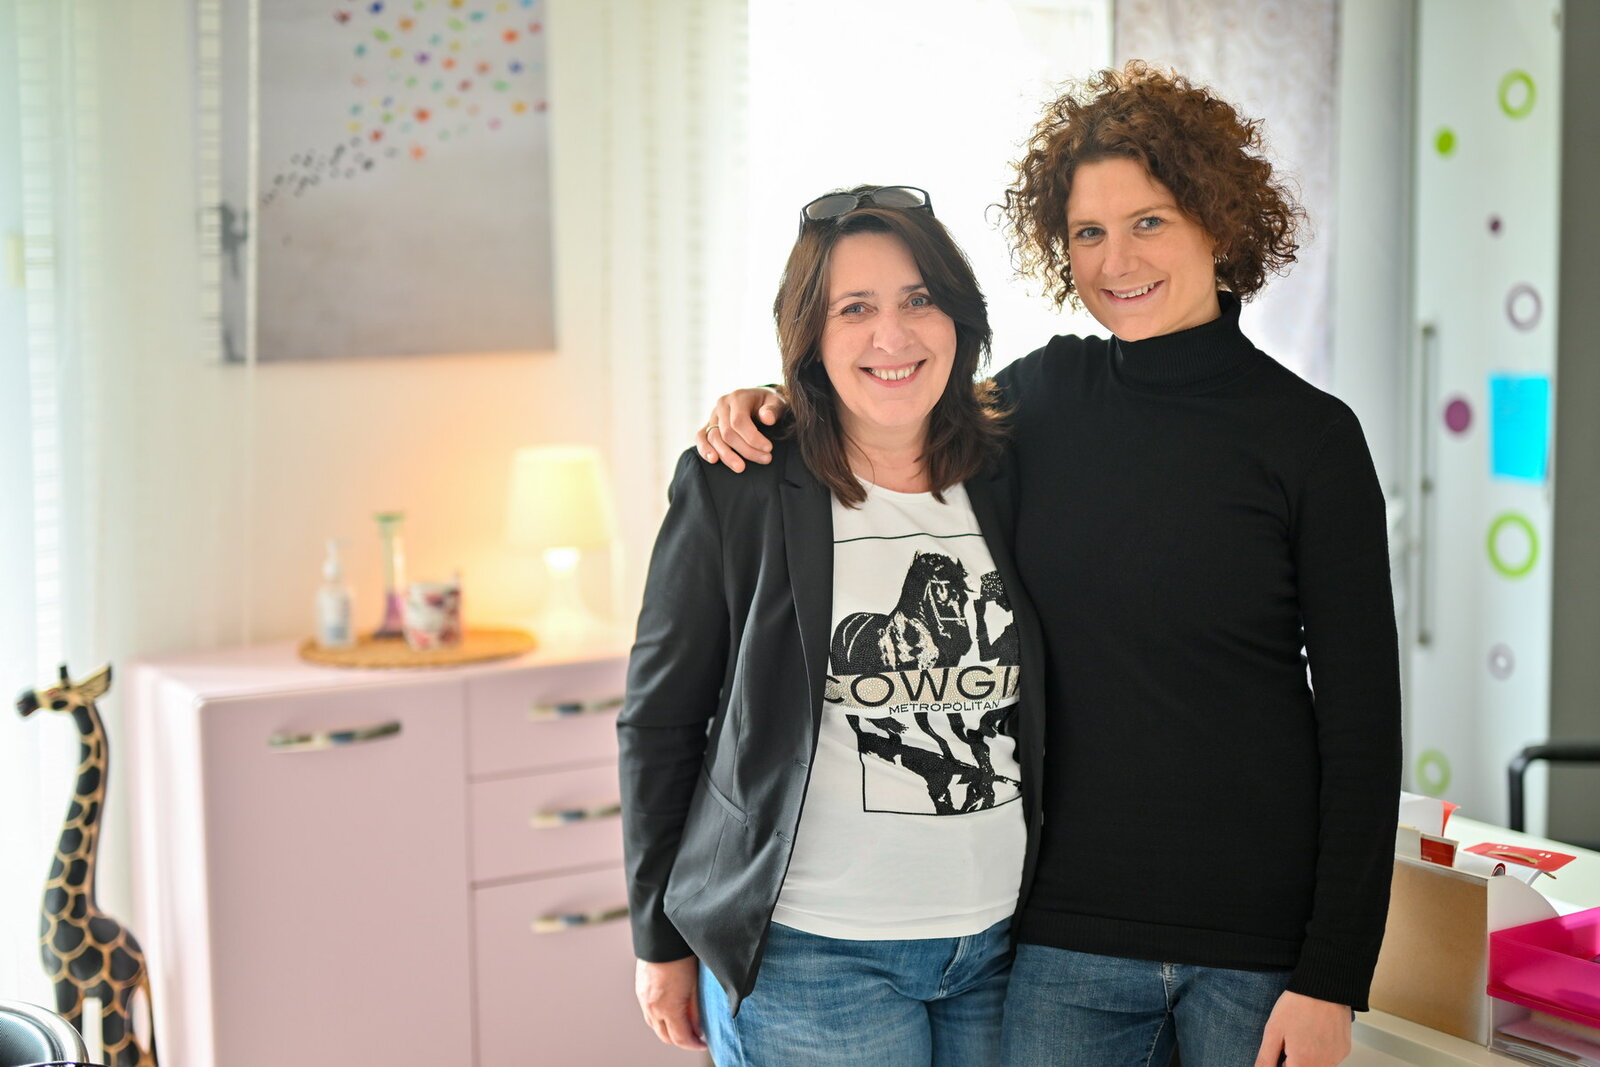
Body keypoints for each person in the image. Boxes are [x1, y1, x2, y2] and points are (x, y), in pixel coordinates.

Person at [696, 62, 1402, 1067]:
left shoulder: (1313, 439)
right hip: (1062, 939)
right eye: (1087, 232)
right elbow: (895, 398)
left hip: (1259, 943)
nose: (1117, 259)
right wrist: (767, 402)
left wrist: (1333, 971)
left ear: (1218, 219)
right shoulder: (1041, 401)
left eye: (1148, 221)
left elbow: (1364, 725)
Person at [619, 185, 1046, 1066]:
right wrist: (657, 937)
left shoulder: (1015, 470)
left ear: (959, 317)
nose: (893, 335)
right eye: (855, 309)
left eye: (918, 299)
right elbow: (661, 719)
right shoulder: (738, 481)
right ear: (810, 336)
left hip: (1005, 944)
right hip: (810, 954)